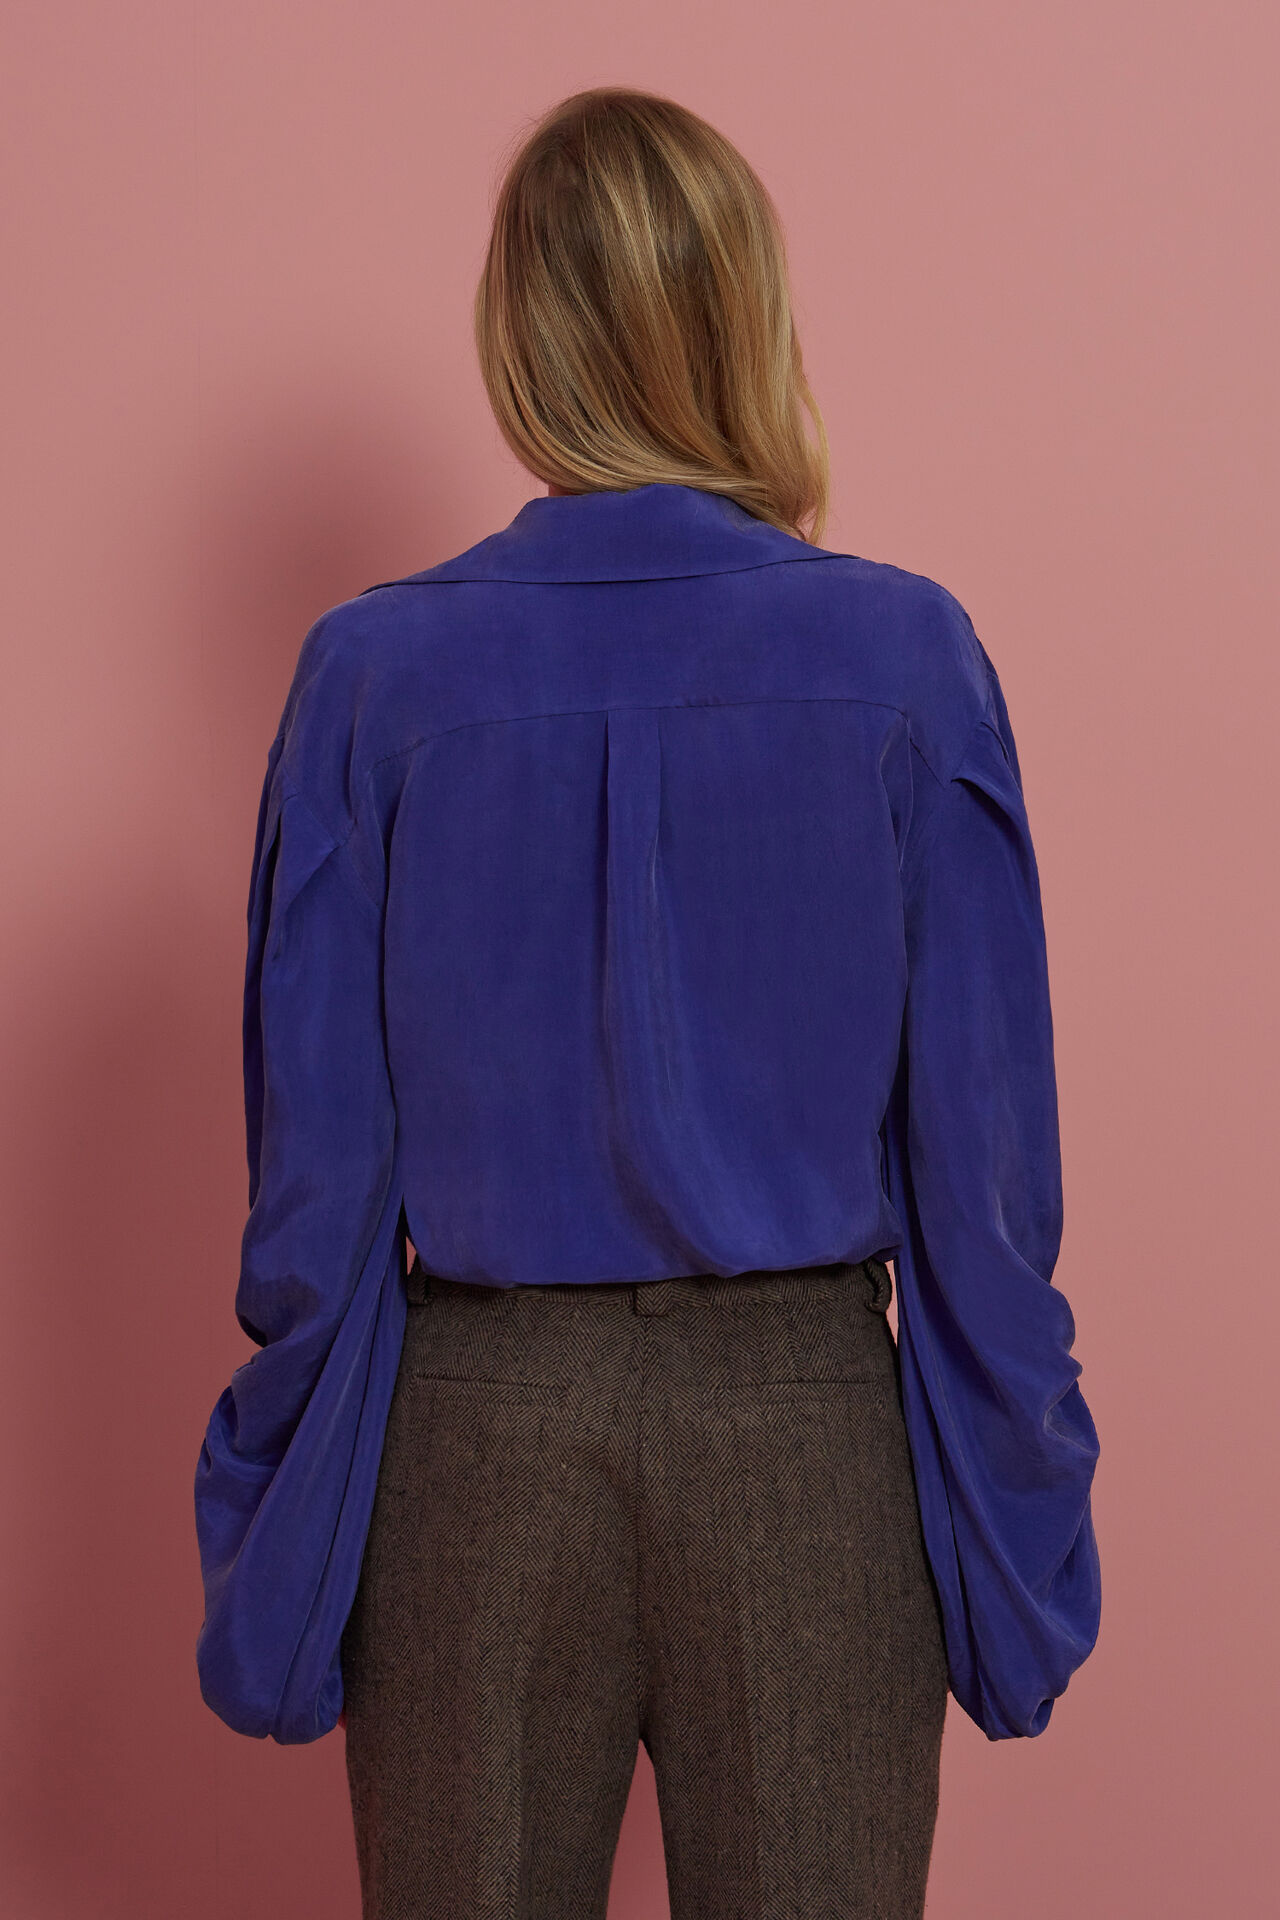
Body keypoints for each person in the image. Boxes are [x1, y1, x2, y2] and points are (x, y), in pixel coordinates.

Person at [194, 86, 1100, 1920]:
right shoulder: (905, 657)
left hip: (479, 1441)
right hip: (805, 1437)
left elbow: (316, 1195)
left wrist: (281, 1516)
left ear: (520, 333)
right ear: (747, 309)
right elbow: (983, 1174)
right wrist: (1022, 1527)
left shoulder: (373, 677)